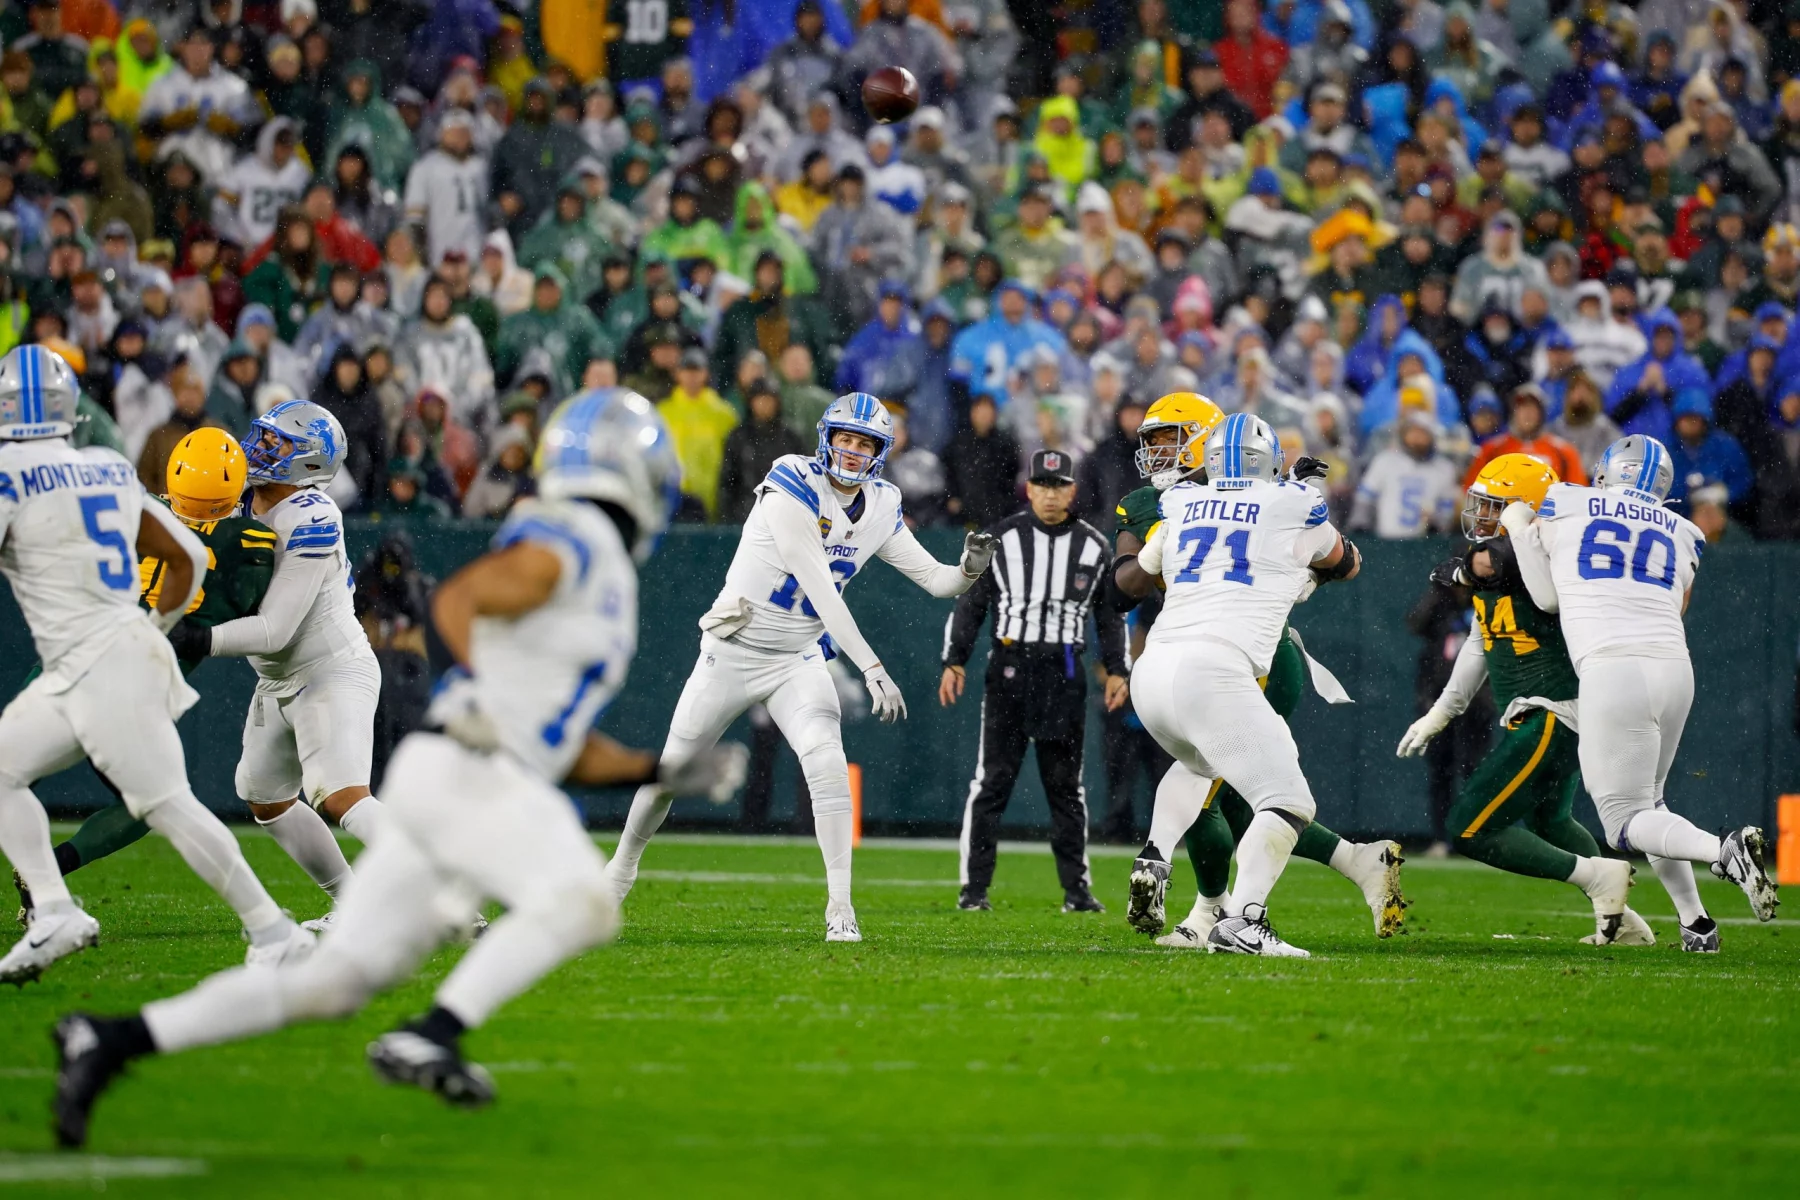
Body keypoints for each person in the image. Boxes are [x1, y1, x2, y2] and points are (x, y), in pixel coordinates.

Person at [51, 389, 751, 1147]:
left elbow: (566, 743)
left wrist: (662, 770)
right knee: (583, 899)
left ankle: (111, 1039)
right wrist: (482, 690)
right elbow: (463, 598)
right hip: (473, 772)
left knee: (333, 982)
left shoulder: (590, 567)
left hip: (452, 769)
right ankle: (436, 1032)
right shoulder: (580, 537)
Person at [600, 394, 997, 942]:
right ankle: (618, 875)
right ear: (826, 437)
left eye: (864, 443)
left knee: (827, 762)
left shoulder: (881, 502)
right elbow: (819, 586)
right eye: (846, 438)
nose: (852, 451)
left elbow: (934, 580)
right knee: (670, 774)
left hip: (797, 656)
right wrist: (874, 666)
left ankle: (840, 907)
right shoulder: (791, 480)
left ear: (881, 452)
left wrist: (969, 571)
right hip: (735, 648)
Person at [0, 345, 311, 986]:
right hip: (111, 654)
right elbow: (188, 562)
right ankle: (55, 908)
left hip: (99, 665)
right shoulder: (105, 468)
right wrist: (153, 629)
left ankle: (273, 931)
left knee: (167, 805)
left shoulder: (10, 474)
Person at [1111, 394, 1403, 946]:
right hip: (1220, 665)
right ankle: (1243, 921)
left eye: (1169, 437)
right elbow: (1346, 560)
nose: (1155, 451)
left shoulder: (1177, 506)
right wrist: (1294, 512)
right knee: (1283, 800)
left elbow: (1135, 577)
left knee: (1206, 777)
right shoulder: (1290, 501)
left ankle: (1171, 873)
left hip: (1154, 670)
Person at [1506, 435, 1779, 952]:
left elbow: (1546, 597)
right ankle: (1697, 925)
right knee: (1650, 804)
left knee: (1623, 822)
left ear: (1608, 471)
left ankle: (1723, 851)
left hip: (1614, 667)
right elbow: (1675, 607)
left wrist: (1519, 526)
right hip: (1674, 669)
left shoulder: (1567, 498)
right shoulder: (1686, 531)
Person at [1396, 455, 1648, 945]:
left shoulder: (1549, 556)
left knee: (1468, 827)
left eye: (1494, 507)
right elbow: (1480, 640)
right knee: (1551, 820)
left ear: (1524, 509)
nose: (1482, 516)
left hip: (1554, 711)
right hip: (1541, 714)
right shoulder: (1497, 561)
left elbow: (1547, 595)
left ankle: (1599, 880)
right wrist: (1440, 713)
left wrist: (1518, 537)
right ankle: (1623, 923)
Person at [164, 400, 387, 932]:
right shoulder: (235, 499)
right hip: (277, 677)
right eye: (262, 437)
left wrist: (193, 637)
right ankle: (354, 905)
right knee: (264, 796)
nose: (258, 449)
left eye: (276, 445)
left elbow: (274, 629)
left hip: (330, 668)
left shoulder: (313, 516)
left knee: (342, 796)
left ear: (310, 464)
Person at [940, 449, 1126, 913]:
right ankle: (974, 890)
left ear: (1072, 490)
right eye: (1042, 485)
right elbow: (971, 602)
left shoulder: (1093, 546)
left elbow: (1108, 617)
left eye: (1058, 485)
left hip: (1063, 671)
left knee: (1066, 787)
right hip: (1009, 668)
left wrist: (1117, 668)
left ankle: (1077, 891)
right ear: (1029, 488)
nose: (1049, 494)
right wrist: (955, 659)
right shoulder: (1000, 538)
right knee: (993, 781)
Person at [1351, 412, 1461, 537]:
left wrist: (1435, 525)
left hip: (1425, 546)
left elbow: (1446, 514)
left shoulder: (1444, 468)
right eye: (1412, 431)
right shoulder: (1385, 461)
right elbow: (1365, 500)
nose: (1416, 437)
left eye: (1422, 432)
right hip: (1386, 542)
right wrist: (1362, 529)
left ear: (1431, 436)